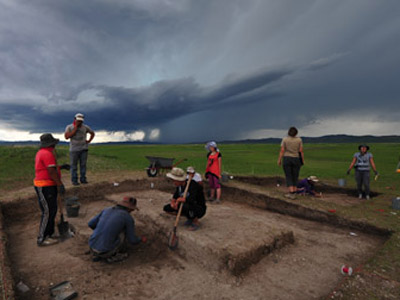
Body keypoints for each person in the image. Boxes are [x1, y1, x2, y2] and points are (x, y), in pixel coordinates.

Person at [88, 196, 146, 263]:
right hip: (105, 251)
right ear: (130, 209)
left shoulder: (106, 209)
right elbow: (132, 240)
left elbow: (90, 224)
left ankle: (98, 251)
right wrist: (140, 239)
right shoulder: (127, 217)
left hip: (91, 246)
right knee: (122, 232)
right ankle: (112, 255)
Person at [34, 133, 65, 246]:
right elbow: (51, 172)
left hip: (48, 185)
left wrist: (61, 167)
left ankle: (49, 234)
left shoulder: (43, 153)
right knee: (47, 212)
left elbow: (47, 168)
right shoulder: (47, 154)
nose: (54, 146)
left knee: (52, 210)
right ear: (51, 144)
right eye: (53, 144)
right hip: (45, 186)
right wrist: (60, 184)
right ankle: (41, 238)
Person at [64, 113, 95, 186]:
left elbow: (92, 133)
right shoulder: (69, 127)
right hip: (74, 150)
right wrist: (75, 128)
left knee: (83, 165)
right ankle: (74, 180)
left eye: (81, 121)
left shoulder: (85, 127)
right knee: (74, 166)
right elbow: (67, 137)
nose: (80, 122)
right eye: (78, 121)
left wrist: (89, 141)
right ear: (75, 119)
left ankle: (83, 179)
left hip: (84, 149)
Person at [277, 127, 304, 199]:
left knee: (288, 175)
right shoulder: (299, 140)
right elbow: (301, 151)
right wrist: (302, 160)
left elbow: (282, 150)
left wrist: (279, 160)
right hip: (296, 158)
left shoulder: (285, 139)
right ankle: (294, 191)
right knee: (295, 175)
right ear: (296, 133)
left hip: (287, 158)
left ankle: (291, 192)